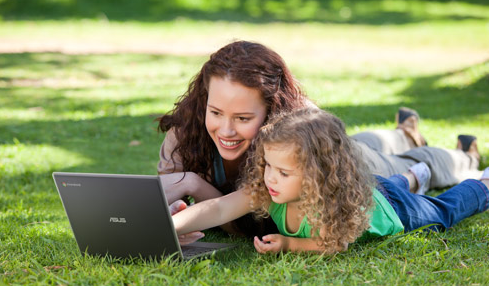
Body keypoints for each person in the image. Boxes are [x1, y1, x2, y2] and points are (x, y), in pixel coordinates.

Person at [157, 40, 482, 238]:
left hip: (354, 163)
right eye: (216, 112)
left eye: (243, 118)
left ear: (272, 110)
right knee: (371, 142)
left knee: (391, 161)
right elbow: (214, 209)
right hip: (348, 147)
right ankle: (404, 133)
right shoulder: (186, 135)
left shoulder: (300, 134)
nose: (225, 130)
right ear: (204, 100)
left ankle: (464, 158)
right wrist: (171, 210)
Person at [172, 108, 489, 254]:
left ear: (316, 177)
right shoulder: (268, 190)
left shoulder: (324, 205)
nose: (270, 177)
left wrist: (289, 244)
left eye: (284, 173)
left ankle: (481, 185)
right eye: (268, 165)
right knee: (388, 184)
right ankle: (411, 177)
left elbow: (333, 244)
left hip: (395, 210)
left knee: (444, 211)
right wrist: (169, 226)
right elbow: (216, 209)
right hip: (373, 188)